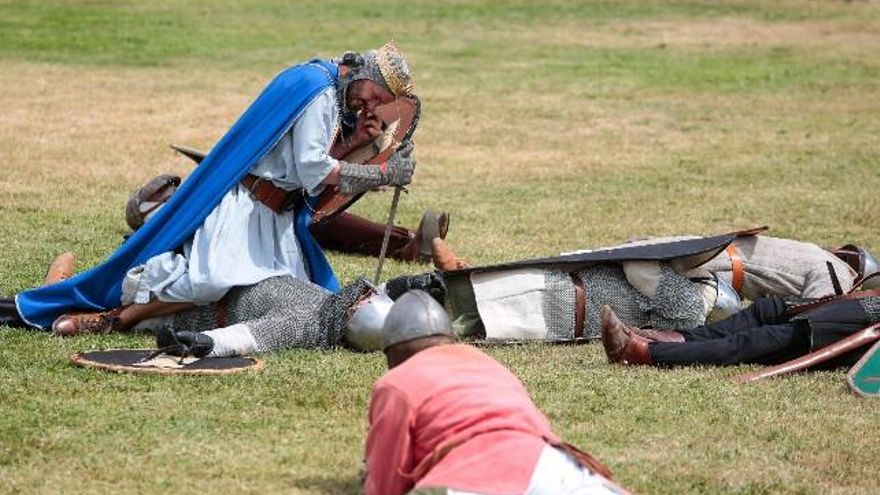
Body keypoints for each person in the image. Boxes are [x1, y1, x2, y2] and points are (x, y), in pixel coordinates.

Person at [9, 42, 417, 334]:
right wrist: (381, 175)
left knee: (280, 296)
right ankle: (115, 317)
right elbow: (312, 169)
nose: (370, 105)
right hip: (245, 206)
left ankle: (130, 318)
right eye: (374, 95)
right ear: (363, 73)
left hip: (274, 219)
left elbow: (302, 169)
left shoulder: (321, 86)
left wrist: (362, 148)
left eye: (379, 102)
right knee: (208, 280)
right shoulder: (317, 91)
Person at [363, 290, 631, 495]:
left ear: (392, 356)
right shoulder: (487, 364)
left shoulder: (396, 382)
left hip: (469, 478)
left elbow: (386, 483)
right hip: (549, 465)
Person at [599, 293, 880, 369]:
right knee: (767, 310)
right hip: (865, 307)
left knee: (763, 340)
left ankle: (643, 353)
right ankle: (680, 338)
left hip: (865, 337)